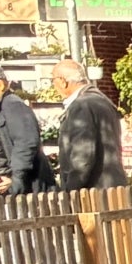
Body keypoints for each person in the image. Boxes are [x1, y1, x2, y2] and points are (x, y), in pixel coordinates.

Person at [50, 59, 127, 191]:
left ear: (63, 81)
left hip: (94, 191)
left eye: (53, 80)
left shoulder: (81, 105)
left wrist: (70, 190)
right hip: (112, 187)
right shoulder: (101, 100)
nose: (53, 85)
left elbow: (82, 156)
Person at [0, 71, 52, 196]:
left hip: (29, 185)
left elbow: (26, 144)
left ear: (0, 85)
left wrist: (15, 178)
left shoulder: (13, 105)